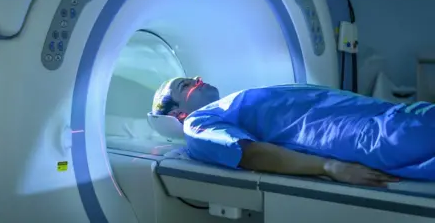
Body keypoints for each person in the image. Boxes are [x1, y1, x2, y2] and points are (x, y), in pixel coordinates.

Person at [152, 77, 435, 187]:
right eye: (186, 86)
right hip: (374, 133)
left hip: (382, 119)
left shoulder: (229, 105)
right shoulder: (197, 123)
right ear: (179, 114)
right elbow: (250, 153)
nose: (198, 80)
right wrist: (329, 166)